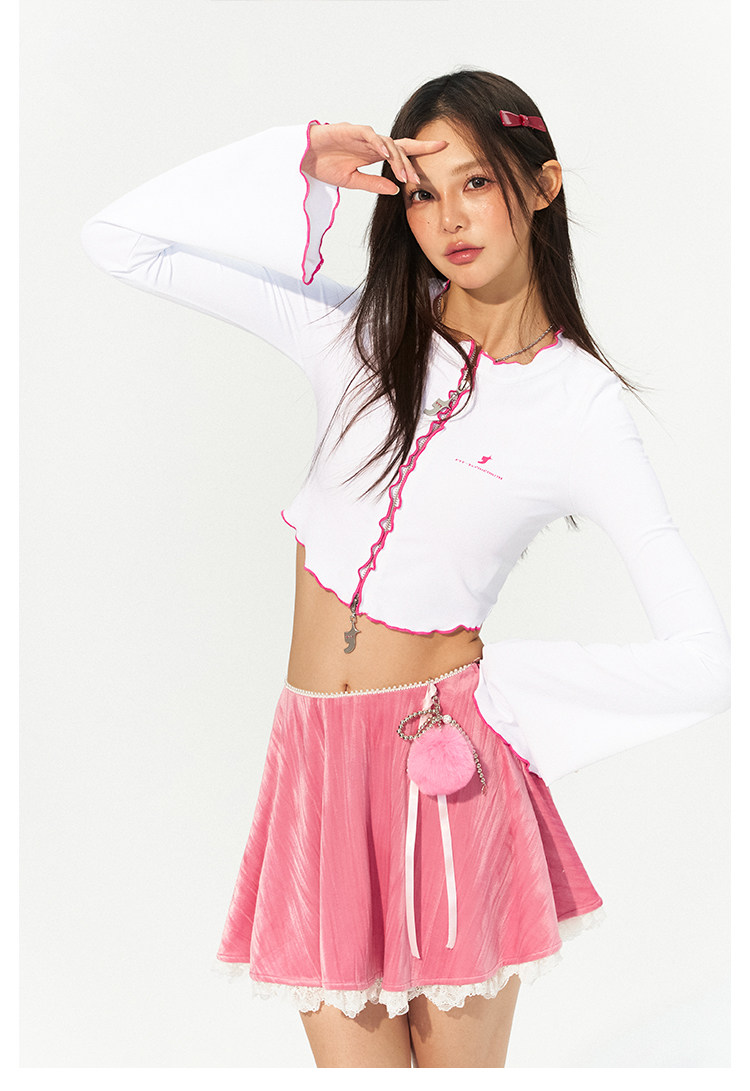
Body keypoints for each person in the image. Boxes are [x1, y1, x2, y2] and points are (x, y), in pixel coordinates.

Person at [81, 70, 730, 1069]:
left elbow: (706, 662)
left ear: (542, 186)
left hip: (451, 769)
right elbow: (121, 240)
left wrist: (512, 693)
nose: (449, 218)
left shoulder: (582, 408)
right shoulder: (354, 330)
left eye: (477, 182)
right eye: (424, 192)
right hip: (314, 761)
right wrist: (301, 156)